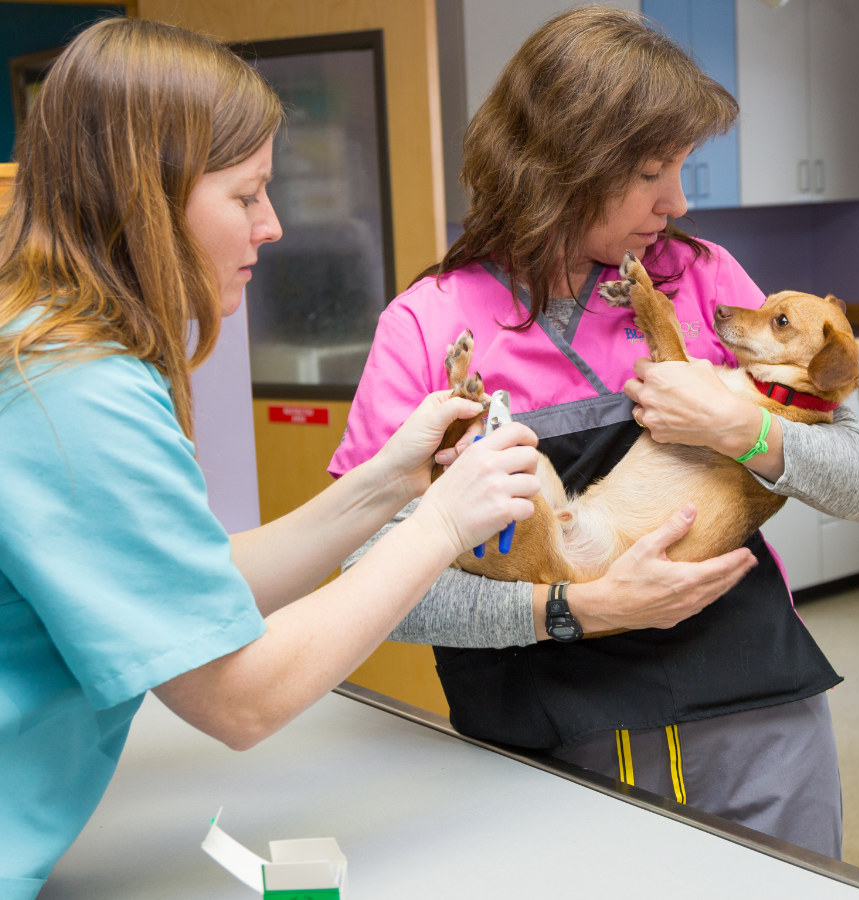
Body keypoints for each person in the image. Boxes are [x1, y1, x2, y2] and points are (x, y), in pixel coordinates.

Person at [328, 6, 859, 859]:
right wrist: (570, 608)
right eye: (647, 172)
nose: (675, 200)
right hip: (547, 751)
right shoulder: (429, 324)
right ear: (557, 165)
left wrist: (747, 432)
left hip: (750, 721)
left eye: (681, 168)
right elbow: (361, 582)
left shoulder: (707, 285)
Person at [0, 17, 543, 898]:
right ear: (147, 192)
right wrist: (440, 524)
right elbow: (237, 695)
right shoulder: (73, 394)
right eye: (246, 196)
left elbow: (192, 590)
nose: (275, 225)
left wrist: (388, 484)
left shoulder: (51, 347)